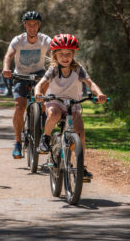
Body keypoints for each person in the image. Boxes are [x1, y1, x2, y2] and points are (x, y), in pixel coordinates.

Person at [34, 33, 107, 179]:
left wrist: (99, 94)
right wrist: (38, 93)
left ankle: (81, 167)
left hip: (73, 104)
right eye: (61, 54)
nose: (65, 57)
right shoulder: (53, 69)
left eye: (69, 54)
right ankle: (46, 137)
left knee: (80, 130)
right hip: (55, 100)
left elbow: (90, 83)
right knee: (53, 114)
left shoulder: (78, 69)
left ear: (74, 54)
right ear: (55, 55)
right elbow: (41, 84)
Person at [2, 11, 51, 159]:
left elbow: (55, 53)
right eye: (29, 25)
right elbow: (8, 56)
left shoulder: (45, 40)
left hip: (39, 74)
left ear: (38, 25)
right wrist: (6, 68)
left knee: (43, 98)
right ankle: (17, 143)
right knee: (19, 107)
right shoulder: (18, 40)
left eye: (34, 24)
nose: (32, 27)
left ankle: (41, 113)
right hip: (20, 76)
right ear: (25, 26)